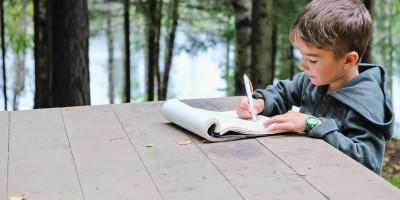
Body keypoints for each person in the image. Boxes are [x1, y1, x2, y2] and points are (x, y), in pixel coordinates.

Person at [236, 0, 394, 175]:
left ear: (348, 60)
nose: (302, 66)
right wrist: (260, 102)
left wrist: (311, 123)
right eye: (301, 55)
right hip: (307, 173)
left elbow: (368, 161)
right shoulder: (317, 78)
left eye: (312, 60)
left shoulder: (367, 102)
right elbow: (284, 92)